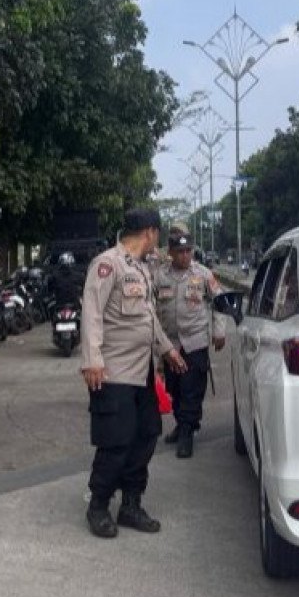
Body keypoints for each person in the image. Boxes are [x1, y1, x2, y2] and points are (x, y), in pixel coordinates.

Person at [80, 208, 187, 539]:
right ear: (150, 233)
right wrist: (92, 360)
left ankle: (130, 503)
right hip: (113, 372)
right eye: (158, 235)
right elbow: (92, 313)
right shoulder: (108, 263)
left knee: (147, 434)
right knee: (116, 441)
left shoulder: (142, 270)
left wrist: (167, 349)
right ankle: (98, 505)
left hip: (142, 373)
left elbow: (148, 319)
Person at [154, 232, 227, 459]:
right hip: (171, 344)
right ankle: (182, 424)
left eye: (188, 251)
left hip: (195, 342)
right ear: (171, 253)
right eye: (180, 252)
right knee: (174, 389)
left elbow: (220, 302)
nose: (185, 256)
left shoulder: (203, 274)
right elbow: (149, 307)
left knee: (191, 390)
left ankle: (187, 432)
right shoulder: (159, 276)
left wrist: (219, 331)